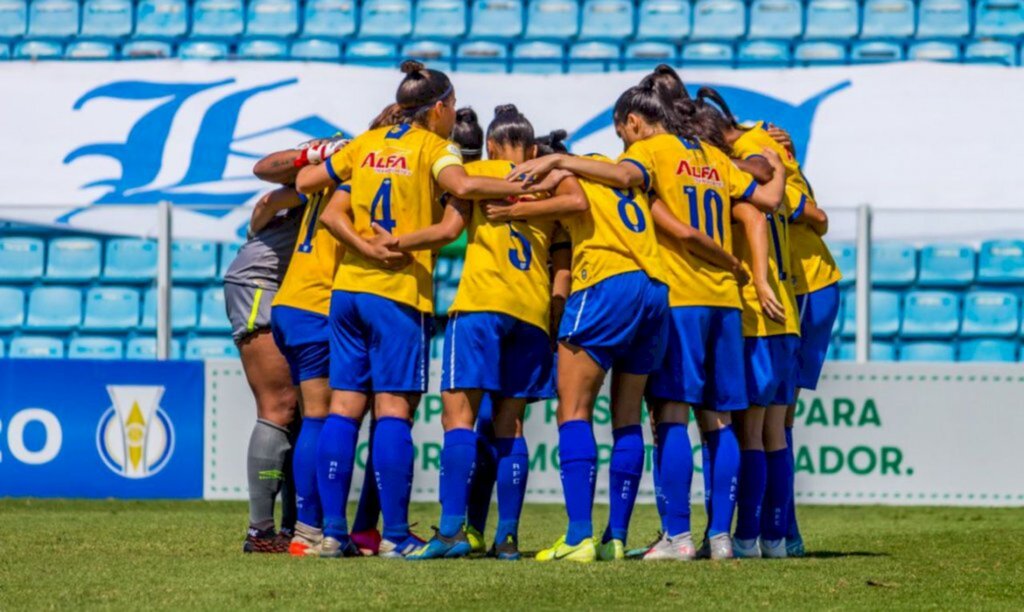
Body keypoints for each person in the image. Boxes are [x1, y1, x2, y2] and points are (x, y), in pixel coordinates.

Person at [510, 76, 785, 561]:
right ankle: (720, 536)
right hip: (724, 301)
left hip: (678, 293)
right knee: (720, 420)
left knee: (670, 416)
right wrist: (777, 167)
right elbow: (764, 202)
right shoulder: (713, 157)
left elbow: (623, 179)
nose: (624, 146)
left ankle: (673, 536)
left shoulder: (649, 154)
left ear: (634, 123)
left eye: (623, 134)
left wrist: (558, 158)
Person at [295, 61, 561, 558]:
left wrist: (364, 244)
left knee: (344, 407)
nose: (453, 116)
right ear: (439, 109)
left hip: (348, 290)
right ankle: (394, 535)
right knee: (393, 409)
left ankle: (331, 533)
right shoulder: (435, 150)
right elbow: (460, 192)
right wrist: (517, 188)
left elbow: (317, 191)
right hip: (398, 293)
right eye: (453, 107)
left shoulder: (365, 144)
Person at [397, 104, 578, 561]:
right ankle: (508, 538)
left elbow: (449, 229)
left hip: (480, 307)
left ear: (492, 144)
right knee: (511, 425)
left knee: (457, 419)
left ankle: (454, 531)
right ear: (534, 148)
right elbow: (563, 269)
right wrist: (553, 321)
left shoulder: (476, 175)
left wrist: (396, 242)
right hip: (532, 314)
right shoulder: (547, 184)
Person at [495, 121, 672, 562]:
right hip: (654, 290)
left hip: (605, 284)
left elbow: (566, 195)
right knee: (627, 414)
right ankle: (614, 536)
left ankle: (578, 537)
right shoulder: (615, 173)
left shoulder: (571, 172)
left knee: (573, 410)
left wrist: (514, 208)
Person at [692, 86, 802, 559]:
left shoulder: (731, 178)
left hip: (758, 314)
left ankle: (748, 535)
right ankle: (774, 538)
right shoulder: (768, 165)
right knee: (775, 431)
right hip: (788, 315)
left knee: (751, 432)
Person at [222, 135, 346, 554]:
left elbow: (264, 207)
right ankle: (260, 532)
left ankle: (296, 524)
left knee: (301, 415)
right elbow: (265, 186)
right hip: (263, 282)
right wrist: (311, 155)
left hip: (289, 288)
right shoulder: (327, 166)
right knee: (279, 407)